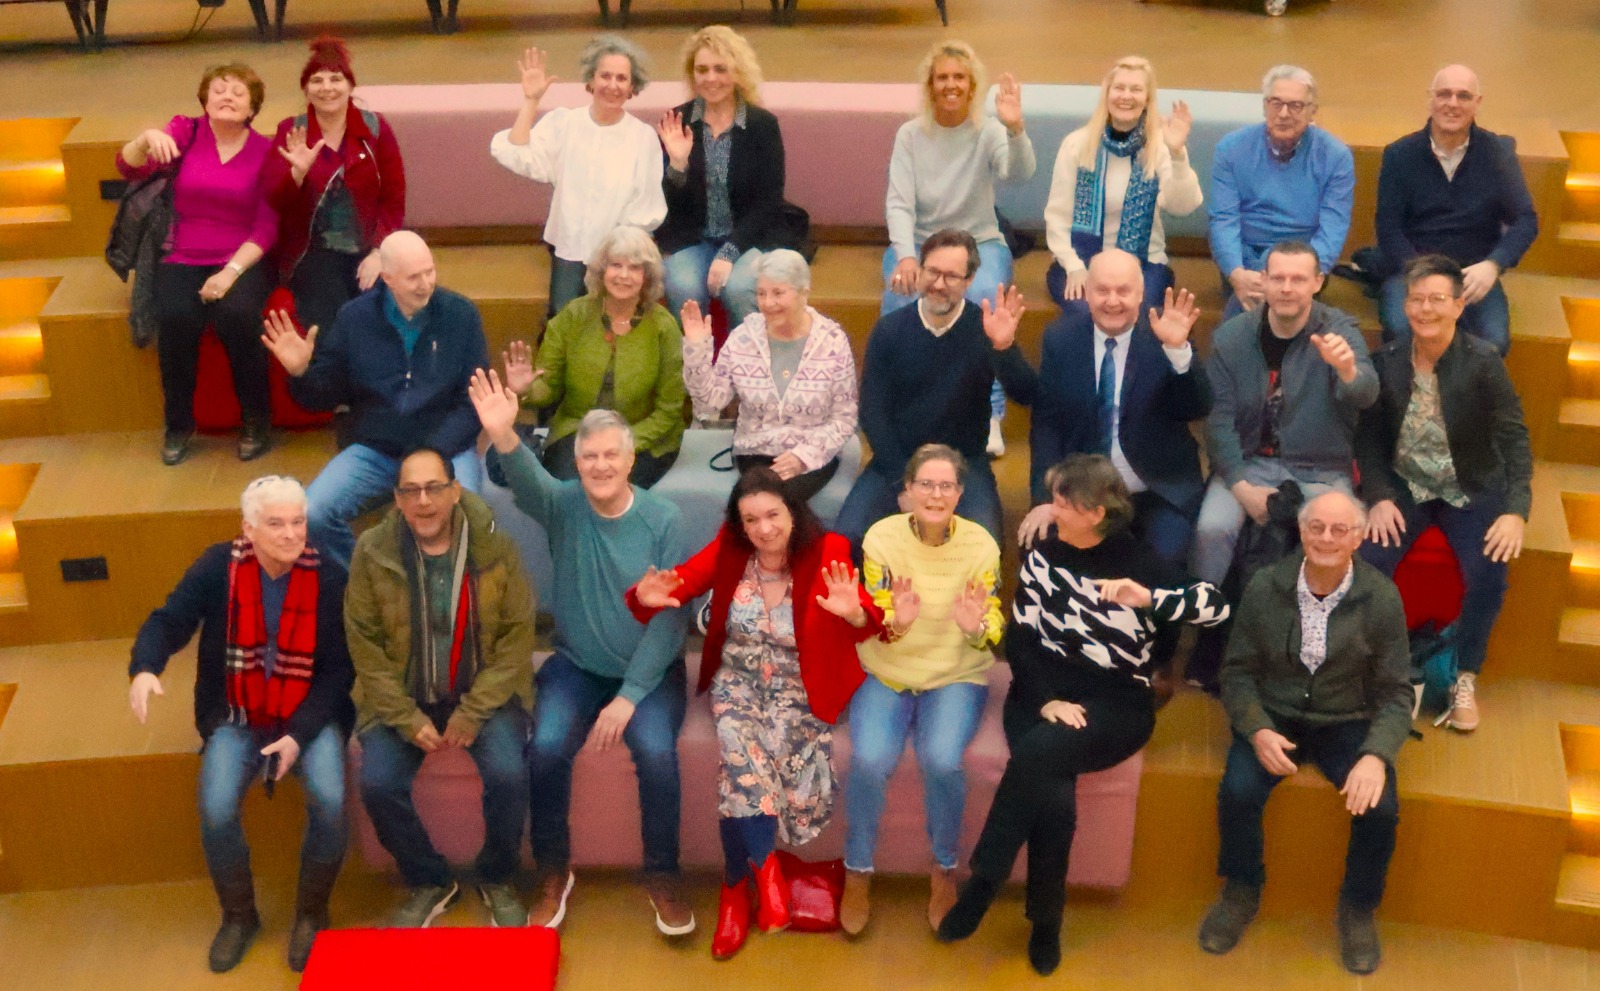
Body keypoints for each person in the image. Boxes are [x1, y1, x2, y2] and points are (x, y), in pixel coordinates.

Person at [936, 455, 1227, 975]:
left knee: (1039, 755)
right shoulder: (1041, 554)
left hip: (1115, 702)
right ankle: (1045, 923)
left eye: (1063, 502)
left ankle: (983, 883)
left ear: (1095, 512)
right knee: (1053, 795)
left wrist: (1153, 599)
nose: (1052, 509)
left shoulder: (1140, 563)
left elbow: (1217, 607)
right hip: (1038, 691)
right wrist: (1045, 698)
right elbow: (1021, 637)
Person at [469, 372, 695, 936]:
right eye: (588, 455)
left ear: (630, 457)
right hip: (574, 665)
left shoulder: (664, 520)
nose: (599, 465)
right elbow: (528, 482)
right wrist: (503, 434)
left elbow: (671, 621)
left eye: (609, 455)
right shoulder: (564, 505)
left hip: (648, 675)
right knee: (543, 749)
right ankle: (552, 871)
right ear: (577, 459)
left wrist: (629, 698)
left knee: (659, 758)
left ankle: (662, 875)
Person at [627, 467, 883, 960]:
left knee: (739, 773)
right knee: (739, 743)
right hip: (738, 680)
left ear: (792, 511)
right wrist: (649, 598)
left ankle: (734, 889)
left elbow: (867, 619)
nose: (763, 529)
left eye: (772, 515)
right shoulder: (731, 546)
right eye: (751, 520)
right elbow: (682, 580)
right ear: (738, 524)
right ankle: (765, 877)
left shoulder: (827, 549)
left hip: (800, 686)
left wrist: (854, 612)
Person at [129, 476, 352, 973]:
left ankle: (312, 914)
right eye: (277, 524)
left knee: (333, 803)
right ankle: (239, 916)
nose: (293, 534)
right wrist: (145, 668)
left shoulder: (331, 578)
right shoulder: (217, 567)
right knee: (216, 808)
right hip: (237, 714)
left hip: (305, 718)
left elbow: (340, 673)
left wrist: (299, 734)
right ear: (248, 529)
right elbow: (168, 621)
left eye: (299, 522)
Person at [1199, 490, 1412, 976]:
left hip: (1347, 722)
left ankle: (1358, 909)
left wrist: (1376, 755)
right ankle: (1241, 889)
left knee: (1380, 809)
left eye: (1340, 530)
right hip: (1275, 717)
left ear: (1358, 537)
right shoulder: (1263, 586)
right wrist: (1256, 730)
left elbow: (1397, 693)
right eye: (1317, 527)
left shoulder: (1381, 598)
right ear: (1301, 531)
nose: (1327, 538)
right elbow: (1236, 673)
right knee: (1237, 790)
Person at [346, 447, 536, 930]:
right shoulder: (372, 551)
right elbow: (364, 647)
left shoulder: (496, 548)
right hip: (402, 695)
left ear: (455, 492)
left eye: (434, 488)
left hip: (484, 693)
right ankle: (429, 880)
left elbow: (516, 639)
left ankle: (496, 877)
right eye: (411, 490)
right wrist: (405, 718)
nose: (424, 501)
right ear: (397, 499)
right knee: (378, 783)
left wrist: (473, 712)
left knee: (510, 774)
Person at [1356, 254, 1531, 732]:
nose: (1425, 309)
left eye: (1437, 299)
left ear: (1458, 306)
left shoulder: (1482, 362)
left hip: (1469, 488)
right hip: (1406, 487)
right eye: (1416, 299)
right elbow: (1368, 440)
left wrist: (1516, 510)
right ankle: (1375, 672)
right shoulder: (1386, 362)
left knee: (1489, 572)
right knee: (1368, 564)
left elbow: (1514, 437)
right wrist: (1379, 496)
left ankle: (1464, 676)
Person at [840, 444, 1003, 936]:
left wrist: (977, 627)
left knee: (942, 760)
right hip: (887, 669)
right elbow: (874, 619)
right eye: (925, 485)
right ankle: (858, 870)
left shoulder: (981, 545)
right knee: (869, 759)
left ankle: (944, 868)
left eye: (947, 486)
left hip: (955, 673)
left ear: (959, 493)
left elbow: (992, 625)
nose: (936, 494)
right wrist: (897, 622)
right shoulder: (881, 538)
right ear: (905, 492)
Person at [262, 230, 488, 571]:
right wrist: (300, 372)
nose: (425, 283)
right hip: (377, 450)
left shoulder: (461, 315)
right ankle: (372, 581)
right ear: (387, 278)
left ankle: (443, 600)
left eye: (430, 271)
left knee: (470, 518)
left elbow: (474, 401)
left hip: (445, 450)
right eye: (414, 277)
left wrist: (431, 453)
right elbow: (322, 395)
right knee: (314, 513)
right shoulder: (354, 318)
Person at [992, 248, 1212, 567]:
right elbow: (1047, 425)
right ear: (1086, 293)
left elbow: (1196, 407)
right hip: (1083, 494)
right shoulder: (1060, 339)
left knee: (1161, 565)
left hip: (1157, 491)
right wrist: (1046, 499)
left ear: (1141, 294)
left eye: (1123, 291)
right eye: (1102, 290)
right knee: (1040, 547)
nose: (1112, 301)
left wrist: (1178, 352)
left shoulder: (1167, 335)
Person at [117, 63, 278, 466]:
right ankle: (178, 425)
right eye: (218, 90)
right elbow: (127, 166)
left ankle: (257, 420)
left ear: (252, 107)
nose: (227, 97)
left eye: (238, 92)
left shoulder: (266, 151)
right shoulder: (184, 133)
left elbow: (266, 224)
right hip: (181, 253)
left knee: (239, 315)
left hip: (241, 257)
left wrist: (229, 274)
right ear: (205, 100)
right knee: (173, 317)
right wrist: (145, 137)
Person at [1193, 240, 1379, 589]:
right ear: (1263, 280)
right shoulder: (1232, 337)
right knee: (1211, 529)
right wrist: (1242, 488)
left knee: (1345, 533)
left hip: (1319, 468)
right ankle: (1206, 621)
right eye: (1278, 278)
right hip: (1247, 463)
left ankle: (1328, 624)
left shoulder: (1339, 331)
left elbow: (1367, 395)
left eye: (1298, 279)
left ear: (1318, 282)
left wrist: (1348, 371)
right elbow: (1217, 422)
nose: (1287, 288)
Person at [882, 40, 1034, 457]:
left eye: (959, 78)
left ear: (972, 86)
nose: (951, 85)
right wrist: (908, 257)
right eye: (943, 77)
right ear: (931, 86)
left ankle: (990, 414)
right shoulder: (910, 135)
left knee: (984, 299)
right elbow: (898, 202)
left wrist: (1015, 129)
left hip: (979, 241)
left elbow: (1018, 173)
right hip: (920, 242)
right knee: (898, 298)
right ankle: (902, 403)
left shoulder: (988, 131)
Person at [833, 229, 1023, 554]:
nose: (938, 284)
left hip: (964, 464)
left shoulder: (987, 329)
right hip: (898, 460)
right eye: (932, 271)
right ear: (920, 269)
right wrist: (904, 483)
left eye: (951, 276)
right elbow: (872, 413)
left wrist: (1003, 348)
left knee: (987, 545)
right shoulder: (890, 330)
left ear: (970, 279)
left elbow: (1026, 393)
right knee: (845, 539)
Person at [491, 38, 667, 320]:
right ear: (591, 80)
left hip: (617, 258)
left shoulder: (642, 137)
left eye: (622, 78)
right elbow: (514, 151)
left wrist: (616, 261)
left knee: (611, 327)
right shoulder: (565, 124)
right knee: (562, 322)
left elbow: (645, 207)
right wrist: (531, 100)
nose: (613, 85)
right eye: (605, 75)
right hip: (570, 249)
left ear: (632, 87)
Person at [499, 225, 685, 488]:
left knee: (613, 488)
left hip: (643, 438)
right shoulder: (572, 317)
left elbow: (669, 411)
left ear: (647, 277)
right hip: (578, 432)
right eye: (616, 265)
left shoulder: (664, 327)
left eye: (634, 268)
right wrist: (525, 388)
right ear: (601, 271)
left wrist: (618, 443)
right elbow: (548, 388)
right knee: (570, 492)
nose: (624, 275)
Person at [1374, 65, 1539, 355]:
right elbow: (1388, 227)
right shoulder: (1399, 155)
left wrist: (1493, 265)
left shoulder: (1498, 155)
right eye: (1444, 94)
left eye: (1463, 96)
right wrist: (1419, 274)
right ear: (1430, 99)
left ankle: (1463, 401)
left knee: (1493, 343)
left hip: (1473, 273)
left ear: (1478, 103)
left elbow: (1526, 220)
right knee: (1401, 332)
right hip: (1414, 270)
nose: (1452, 104)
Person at [680, 249, 858, 502]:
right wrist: (696, 348)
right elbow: (709, 403)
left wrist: (803, 457)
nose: (768, 303)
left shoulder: (832, 342)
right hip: (755, 449)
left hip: (814, 450)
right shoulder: (743, 337)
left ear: (803, 293)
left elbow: (844, 418)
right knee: (765, 498)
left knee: (775, 501)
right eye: (761, 293)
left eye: (778, 293)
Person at [265, 36, 407, 339]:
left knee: (381, 318)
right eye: (317, 80)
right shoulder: (291, 130)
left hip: (369, 246)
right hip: (313, 252)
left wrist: (380, 251)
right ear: (306, 89)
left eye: (335, 78)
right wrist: (297, 175)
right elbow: (275, 202)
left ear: (350, 86)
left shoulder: (375, 128)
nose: (326, 87)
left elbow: (394, 199)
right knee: (332, 326)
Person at [1043, 56, 1201, 319]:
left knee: (1132, 311)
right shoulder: (1077, 145)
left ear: (1148, 99)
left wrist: (1177, 154)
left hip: (1144, 264)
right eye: (1119, 88)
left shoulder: (1160, 147)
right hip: (1081, 262)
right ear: (1106, 94)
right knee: (1087, 312)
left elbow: (1182, 207)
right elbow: (1057, 217)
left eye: (1136, 89)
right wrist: (1073, 267)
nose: (1126, 96)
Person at [656, 25, 790, 327]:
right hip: (693, 238)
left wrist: (729, 252)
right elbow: (667, 207)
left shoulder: (762, 125)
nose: (711, 78)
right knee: (683, 287)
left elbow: (769, 202)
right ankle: (693, 368)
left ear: (738, 72)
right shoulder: (678, 120)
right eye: (702, 70)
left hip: (748, 237)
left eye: (720, 69)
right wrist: (677, 165)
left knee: (741, 287)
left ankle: (747, 368)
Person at [1209, 65, 1355, 321]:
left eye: (1295, 105)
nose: (1284, 114)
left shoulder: (1335, 156)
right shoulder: (1231, 149)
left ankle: (1227, 357)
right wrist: (1236, 273)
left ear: (1312, 111)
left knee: (1252, 305)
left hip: (1303, 262)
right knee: (1253, 294)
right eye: (1276, 103)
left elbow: (1333, 229)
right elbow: (1223, 220)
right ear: (1265, 105)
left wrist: (1290, 274)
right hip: (1242, 261)